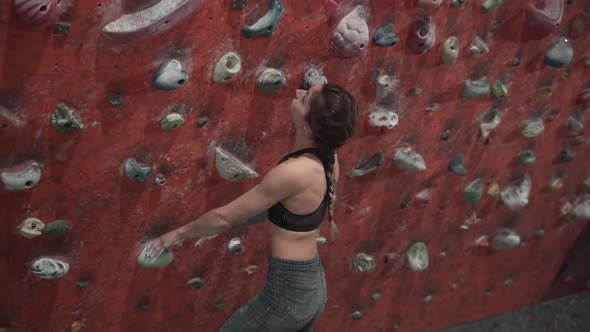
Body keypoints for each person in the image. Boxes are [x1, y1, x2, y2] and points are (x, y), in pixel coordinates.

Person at [143, 82, 359, 331]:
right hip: (311, 288)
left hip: (288, 295)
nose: (298, 93)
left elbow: (225, 217)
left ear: (308, 125)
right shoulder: (329, 157)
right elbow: (280, 209)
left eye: (304, 98)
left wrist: (173, 236)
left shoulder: (293, 172)